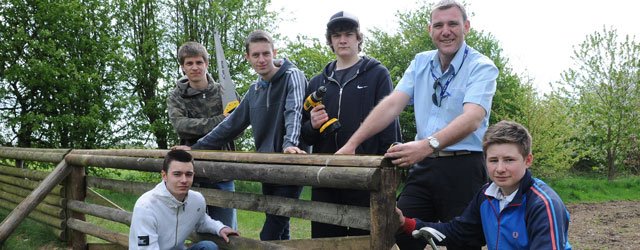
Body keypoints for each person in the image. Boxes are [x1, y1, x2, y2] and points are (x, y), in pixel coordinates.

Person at [336, 1, 498, 249]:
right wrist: (352, 145)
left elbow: (473, 117)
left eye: (453, 24)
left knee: (464, 242)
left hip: (464, 167)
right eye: (438, 25)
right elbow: (392, 105)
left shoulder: (481, 66)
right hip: (424, 167)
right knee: (399, 229)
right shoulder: (421, 62)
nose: (446, 30)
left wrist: (427, 145)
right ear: (429, 30)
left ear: (466, 26)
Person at [172, 30, 308, 241]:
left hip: (292, 163)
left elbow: (295, 109)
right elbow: (231, 125)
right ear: (248, 58)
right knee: (281, 227)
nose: (261, 60)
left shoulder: (292, 76)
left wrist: (290, 143)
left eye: (266, 53)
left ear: (275, 52)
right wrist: (196, 147)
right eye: (256, 55)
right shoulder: (254, 90)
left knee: (270, 231)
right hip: (268, 166)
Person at [300, 11, 401, 238]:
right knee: (325, 240)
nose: (342, 40)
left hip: (365, 175)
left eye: (348, 34)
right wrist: (312, 126)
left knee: (365, 239)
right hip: (325, 176)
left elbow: (389, 124)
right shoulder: (317, 82)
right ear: (330, 41)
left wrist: (389, 169)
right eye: (336, 35)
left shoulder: (377, 74)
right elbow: (304, 136)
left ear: (358, 38)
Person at [397, 120, 572, 249]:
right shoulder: (486, 195)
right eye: (493, 160)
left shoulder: (543, 204)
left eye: (509, 160)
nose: (500, 168)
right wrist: (406, 222)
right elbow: (459, 233)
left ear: (528, 160)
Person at [167, 41, 238, 230]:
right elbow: (182, 127)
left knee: (226, 229)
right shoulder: (176, 96)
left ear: (206, 64)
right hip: (191, 174)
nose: (195, 67)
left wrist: (225, 123)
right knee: (196, 230)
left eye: (199, 62)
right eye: (189, 63)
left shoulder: (225, 91)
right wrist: (221, 120)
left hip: (223, 171)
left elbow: (236, 126)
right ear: (183, 67)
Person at [129, 149, 238, 250]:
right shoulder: (146, 207)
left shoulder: (197, 200)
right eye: (177, 174)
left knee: (208, 247)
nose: (184, 180)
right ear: (164, 175)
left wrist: (220, 228)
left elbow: (202, 221)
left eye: (188, 174)